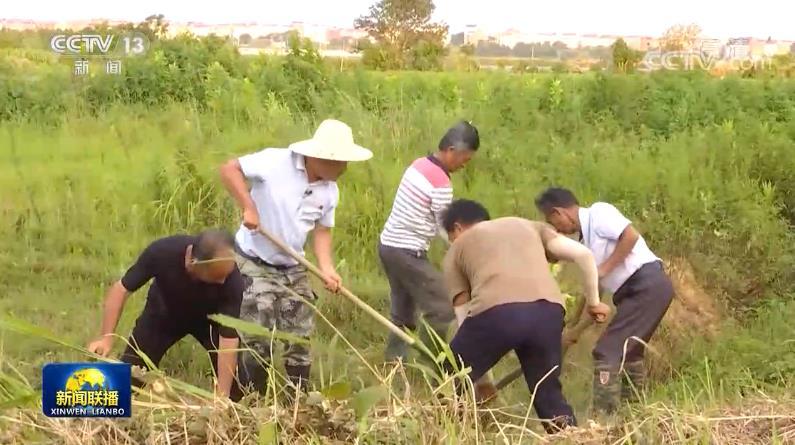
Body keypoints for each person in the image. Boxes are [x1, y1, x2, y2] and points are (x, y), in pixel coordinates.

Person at [219, 119, 372, 396]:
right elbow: (229, 168)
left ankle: (298, 402)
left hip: (293, 266)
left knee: (299, 338)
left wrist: (326, 268)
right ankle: (253, 402)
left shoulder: (330, 190)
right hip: (255, 261)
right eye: (340, 162)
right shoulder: (274, 162)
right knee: (258, 338)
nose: (344, 168)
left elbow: (322, 231)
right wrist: (249, 206)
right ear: (319, 157)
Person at [441, 199, 610, 433]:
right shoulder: (528, 226)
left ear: (457, 229)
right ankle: (570, 435)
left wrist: (484, 382)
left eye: (451, 237)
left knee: (450, 373)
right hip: (548, 312)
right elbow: (584, 255)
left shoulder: (457, 249)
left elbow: (464, 321)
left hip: (496, 313)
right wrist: (594, 303)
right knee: (547, 392)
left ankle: (448, 432)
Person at [535, 187, 675, 415]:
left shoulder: (599, 213)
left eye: (552, 222)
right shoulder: (586, 242)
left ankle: (603, 419)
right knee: (629, 353)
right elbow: (594, 290)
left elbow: (630, 236)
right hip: (633, 294)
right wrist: (574, 326)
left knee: (606, 351)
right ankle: (635, 414)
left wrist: (604, 269)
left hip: (646, 285)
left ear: (558, 212)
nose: (557, 229)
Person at [87, 229, 244, 400]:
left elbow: (228, 339)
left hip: (210, 323)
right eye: (217, 276)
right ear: (194, 263)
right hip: (163, 316)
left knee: (235, 390)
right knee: (127, 381)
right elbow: (121, 289)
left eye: (226, 275)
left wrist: (223, 397)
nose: (223, 281)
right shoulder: (163, 252)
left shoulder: (232, 280)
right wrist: (106, 338)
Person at [378, 121, 480, 363]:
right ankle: (431, 363)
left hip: (388, 245)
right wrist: (465, 255)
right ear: (452, 150)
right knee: (443, 307)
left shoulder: (418, 165)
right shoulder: (440, 182)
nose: (464, 165)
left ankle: (394, 363)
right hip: (406, 252)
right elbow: (446, 228)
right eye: (465, 159)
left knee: (403, 310)